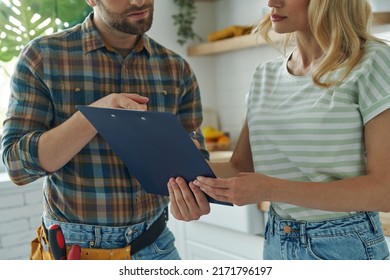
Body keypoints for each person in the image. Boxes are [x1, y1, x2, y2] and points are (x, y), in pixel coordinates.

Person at [168, 0, 390, 260]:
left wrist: (271, 190)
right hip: (277, 238)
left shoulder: (371, 61)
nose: (272, 3)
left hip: (344, 243)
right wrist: (185, 168)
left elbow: (383, 191)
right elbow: (240, 167)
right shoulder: (265, 75)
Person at [1, 0, 208, 260]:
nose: (139, 1)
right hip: (74, 252)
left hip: (157, 245)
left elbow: (197, 161)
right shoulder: (43, 56)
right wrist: (97, 114)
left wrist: (192, 193)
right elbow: (16, 165)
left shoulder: (177, 68)